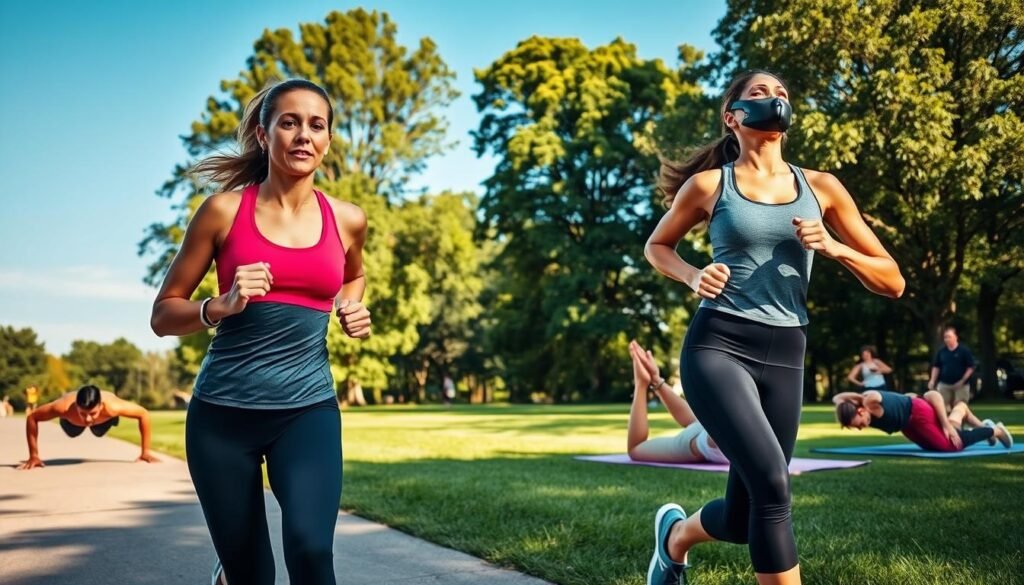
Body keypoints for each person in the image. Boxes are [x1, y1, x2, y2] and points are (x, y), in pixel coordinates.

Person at [642, 69, 905, 585]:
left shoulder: (822, 188)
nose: (774, 100)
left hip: (786, 352)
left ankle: (675, 539)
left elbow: (892, 280)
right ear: (732, 116)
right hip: (718, 345)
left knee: (745, 516)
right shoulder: (710, 185)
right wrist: (694, 275)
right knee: (772, 485)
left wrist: (834, 247)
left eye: (781, 93)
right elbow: (657, 246)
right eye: (759, 93)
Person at [150, 78, 371, 585]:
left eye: (316, 125)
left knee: (312, 552)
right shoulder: (223, 212)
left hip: (307, 411)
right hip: (222, 419)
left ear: (329, 139)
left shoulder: (348, 220)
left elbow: (353, 276)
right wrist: (219, 305)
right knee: (253, 573)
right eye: (288, 122)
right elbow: (163, 314)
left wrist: (350, 306)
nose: (302, 136)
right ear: (262, 133)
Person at [627, 340, 728, 464]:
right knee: (636, 449)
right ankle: (647, 382)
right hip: (714, 438)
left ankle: (650, 381)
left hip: (712, 435)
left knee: (697, 423)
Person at [17, 384, 160, 469]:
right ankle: (79, 419)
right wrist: (33, 455)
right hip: (71, 424)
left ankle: (109, 420)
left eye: (93, 413)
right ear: (76, 406)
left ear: (100, 405)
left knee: (98, 431)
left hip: (104, 421)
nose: (87, 418)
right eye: (82, 413)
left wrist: (145, 452)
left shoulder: (112, 406)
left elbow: (144, 414)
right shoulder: (64, 407)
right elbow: (32, 417)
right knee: (73, 432)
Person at [833, 389, 1012, 451]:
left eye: (860, 424)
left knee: (950, 446)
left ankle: (995, 430)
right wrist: (856, 402)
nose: (862, 428)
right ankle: (960, 411)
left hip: (918, 413)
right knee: (937, 443)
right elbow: (837, 399)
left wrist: (859, 398)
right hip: (908, 426)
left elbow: (867, 396)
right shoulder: (861, 409)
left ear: (862, 410)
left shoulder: (870, 400)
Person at [927, 325, 976, 411]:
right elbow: (936, 367)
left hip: (961, 385)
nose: (947, 339)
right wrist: (932, 380)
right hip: (944, 384)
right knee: (942, 407)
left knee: (960, 407)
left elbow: (970, 367)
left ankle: (959, 424)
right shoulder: (941, 351)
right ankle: (946, 423)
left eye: (949, 337)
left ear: (956, 337)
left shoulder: (964, 351)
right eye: (945, 337)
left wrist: (962, 381)